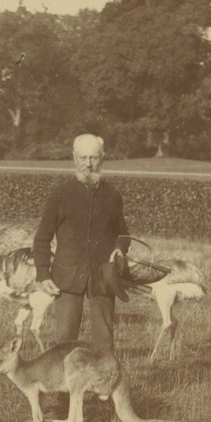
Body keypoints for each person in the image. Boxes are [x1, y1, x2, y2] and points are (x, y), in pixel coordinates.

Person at [33, 134, 130, 351]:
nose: (88, 164)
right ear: (74, 159)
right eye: (83, 158)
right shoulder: (61, 194)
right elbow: (42, 238)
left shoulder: (113, 195)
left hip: (103, 276)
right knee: (65, 342)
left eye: (94, 158)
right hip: (66, 276)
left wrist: (119, 251)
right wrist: (42, 274)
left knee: (104, 342)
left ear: (102, 159)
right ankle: (65, 384)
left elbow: (123, 234)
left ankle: (103, 383)